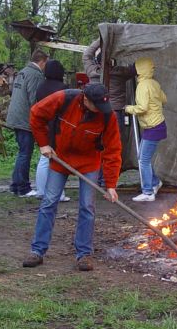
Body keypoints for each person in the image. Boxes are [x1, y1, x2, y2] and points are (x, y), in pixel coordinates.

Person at [22, 83, 122, 272]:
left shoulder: (108, 115)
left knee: (87, 207)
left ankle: (84, 254)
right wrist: (43, 144)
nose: (100, 109)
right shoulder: (64, 98)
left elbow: (113, 150)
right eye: (97, 105)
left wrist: (111, 185)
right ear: (86, 99)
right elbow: (36, 113)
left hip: (89, 163)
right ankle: (37, 251)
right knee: (49, 202)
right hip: (60, 159)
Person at [6, 48, 48, 197]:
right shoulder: (36, 75)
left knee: (22, 152)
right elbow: (34, 99)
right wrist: (41, 119)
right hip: (25, 119)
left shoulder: (23, 72)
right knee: (25, 153)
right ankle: (23, 187)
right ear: (42, 62)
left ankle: (16, 185)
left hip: (16, 116)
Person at [125, 57, 168, 202]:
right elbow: (164, 99)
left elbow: (142, 108)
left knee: (143, 160)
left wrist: (128, 108)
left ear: (140, 70)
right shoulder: (154, 83)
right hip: (157, 125)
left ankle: (148, 192)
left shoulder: (142, 86)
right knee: (143, 158)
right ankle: (155, 183)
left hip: (153, 127)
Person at [33, 59, 70, 203]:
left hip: (44, 126)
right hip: (59, 127)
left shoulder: (40, 87)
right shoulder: (63, 88)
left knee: (44, 159)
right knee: (58, 160)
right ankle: (58, 193)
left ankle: (41, 190)